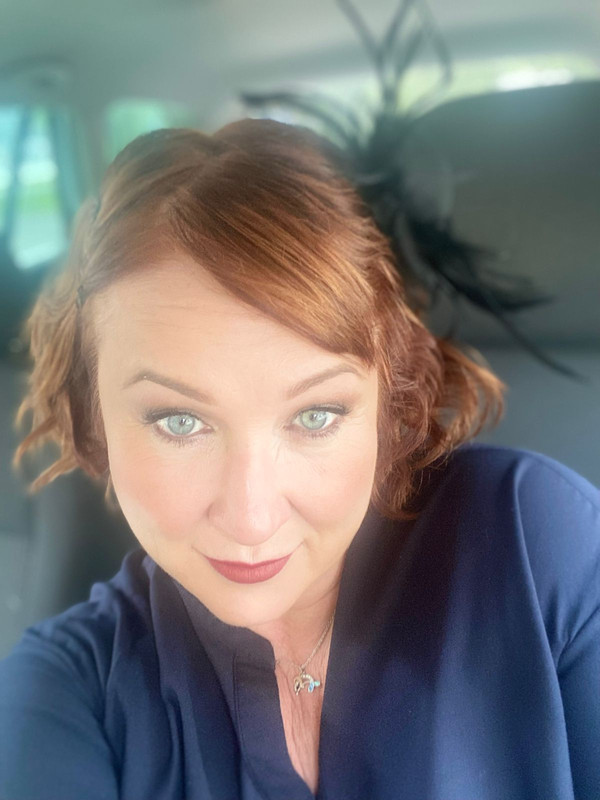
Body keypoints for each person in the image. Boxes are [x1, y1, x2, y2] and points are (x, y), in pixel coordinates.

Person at [0, 120, 599, 800]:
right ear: (94, 420)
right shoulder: (63, 696)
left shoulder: (534, 547)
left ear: (386, 404)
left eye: (316, 415)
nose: (252, 519)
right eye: (179, 421)